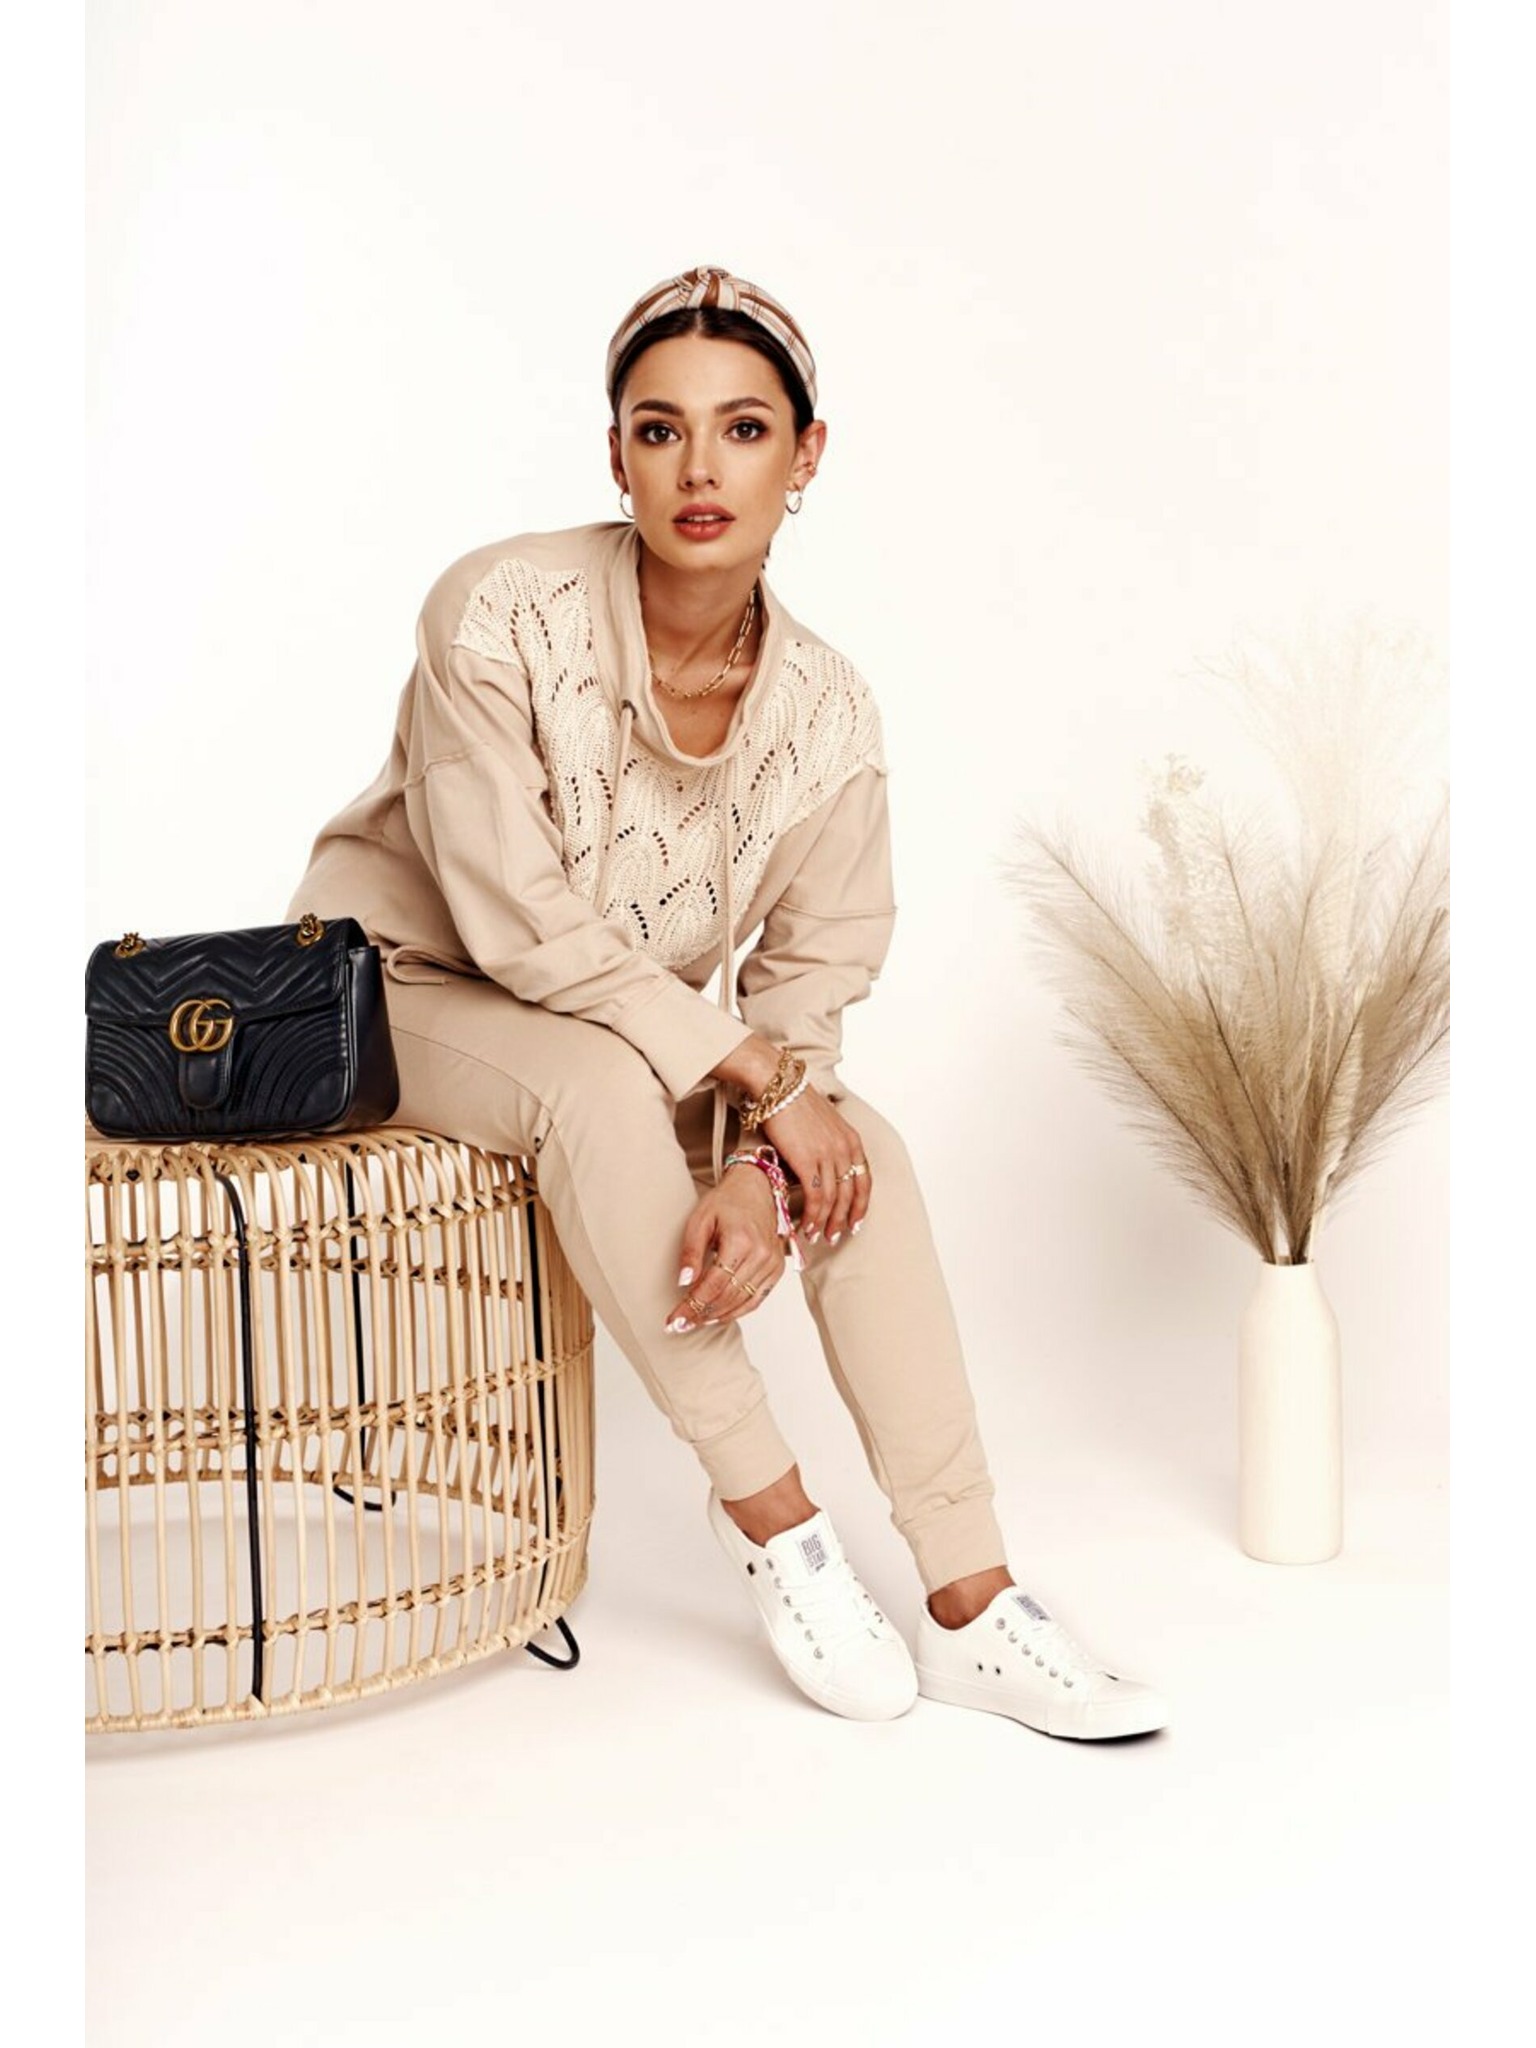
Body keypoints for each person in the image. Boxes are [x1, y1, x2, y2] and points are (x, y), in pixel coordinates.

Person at [285, 264, 1167, 1740]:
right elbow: (520, 920)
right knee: (593, 1093)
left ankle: (972, 1598)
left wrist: (767, 1153)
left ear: (805, 455)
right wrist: (758, 1080)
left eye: (744, 428)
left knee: (860, 1154)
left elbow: (815, 970)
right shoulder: (498, 612)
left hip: (620, 1026)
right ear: (615, 453)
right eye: (661, 429)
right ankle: (777, 1526)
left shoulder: (828, 711)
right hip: (397, 992)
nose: (700, 468)